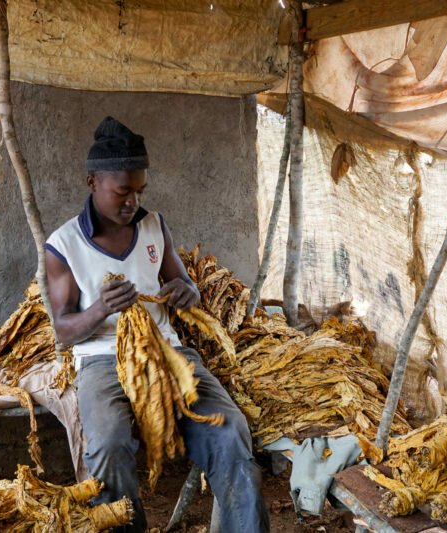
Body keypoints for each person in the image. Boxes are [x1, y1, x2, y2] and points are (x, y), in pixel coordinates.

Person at [45, 116, 269, 532]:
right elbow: (63, 331)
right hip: (101, 361)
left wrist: (187, 291)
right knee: (109, 447)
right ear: (92, 182)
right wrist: (99, 311)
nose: (132, 202)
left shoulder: (153, 226)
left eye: (140, 191)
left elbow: (182, 281)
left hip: (166, 351)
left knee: (230, 430)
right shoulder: (64, 246)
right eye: (123, 192)